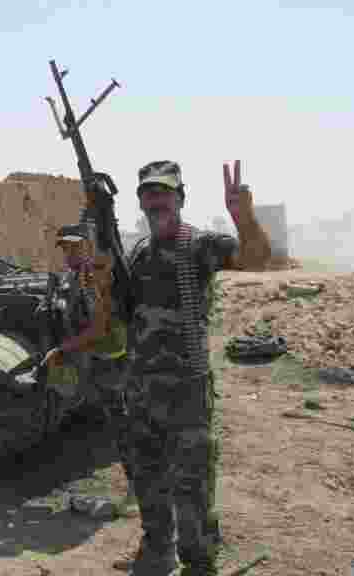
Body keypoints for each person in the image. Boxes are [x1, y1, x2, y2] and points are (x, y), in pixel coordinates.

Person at [123, 160, 272, 576]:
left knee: (193, 489)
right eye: (149, 194)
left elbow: (257, 260)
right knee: (147, 481)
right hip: (141, 393)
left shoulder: (199, 246)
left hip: (186, 393)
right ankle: (157, 550)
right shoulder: (136, 254)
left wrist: (244, 217)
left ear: (181, 197)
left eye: (164, 193)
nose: (156, 201)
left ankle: (199, 562)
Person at [46, 227, 138, 518]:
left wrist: (63, 350)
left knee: (126, 428)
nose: (69, 253)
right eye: (65, 248)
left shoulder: (96, 278)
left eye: (75, 248)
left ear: (87, 247)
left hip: (113, 363)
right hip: (100, 361)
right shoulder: (76, 277)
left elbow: (98, 328)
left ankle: (140, 490)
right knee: (121, 425)